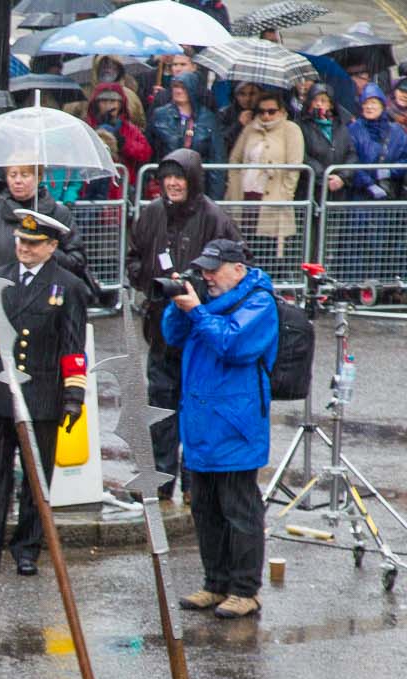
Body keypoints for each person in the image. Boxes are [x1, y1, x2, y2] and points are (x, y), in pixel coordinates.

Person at [0, 211, 89, 576]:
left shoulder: (69, 287)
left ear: (52, 246)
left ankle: (27, 549)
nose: (24, 248)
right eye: (21, 241)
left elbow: (74, 348)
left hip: (42, 397)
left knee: (35, 479)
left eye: (33, 243)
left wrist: (74, 395)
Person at [162, 237, 278, 620]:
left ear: (238, 269)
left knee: (239, 510)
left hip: (236, 423)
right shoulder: (208, 300)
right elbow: (171, 337)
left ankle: (245, 590)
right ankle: (215, 583)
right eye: (205, 268)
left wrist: (197, 311)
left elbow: (233, 345)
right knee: (206, 509)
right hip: (200, 421)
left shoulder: (259, 302)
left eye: (214, 269)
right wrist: (180, 306)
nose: (208, 276)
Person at [127, 151, 239, 501]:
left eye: (180, 178)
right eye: (167, 177)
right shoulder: (151, 214)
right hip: (160, 325)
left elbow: (236, 265)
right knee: (160, 403)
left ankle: (195, 483)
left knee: (197, 407)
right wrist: (153, 280)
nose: (173, 184)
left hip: (200, 328)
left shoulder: (215, 218)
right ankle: (160, 479)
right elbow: (132, 257)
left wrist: (197, 290)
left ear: (193, 180)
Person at [230, 92, 305, 260]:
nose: (266, 115)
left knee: (268, 251)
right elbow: (234, 159)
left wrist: (286, 195)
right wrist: (234, 186)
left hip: (273, 199)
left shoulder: (291, 129)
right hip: (247, 196)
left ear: (281, 110)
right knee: (245, 246)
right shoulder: (250, 128)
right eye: (262, 111)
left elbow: (294, 166)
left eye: (272, 111)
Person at [151, 72, 227, 196]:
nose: (178, 91)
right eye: (175, 86)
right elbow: (151, 150)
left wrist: (215, 197)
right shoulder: (160, 115)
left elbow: (217, 156)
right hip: (166, 181)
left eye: (183, 87)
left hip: (197, 184)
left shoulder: (208, 118)